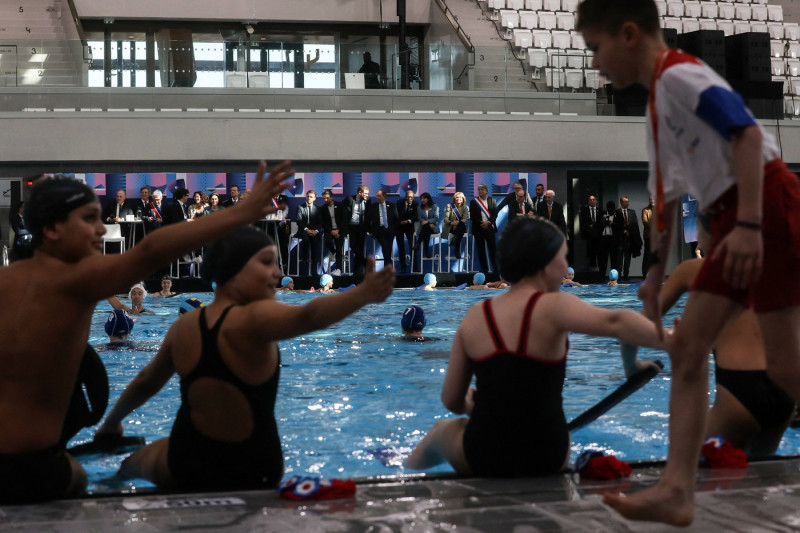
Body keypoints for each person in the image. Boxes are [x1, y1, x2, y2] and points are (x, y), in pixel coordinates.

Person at [577, 1, 800, 525]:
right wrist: (655, 273)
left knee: (787, 365)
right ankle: (677, 488)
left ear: (629, 34)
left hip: (762, 207)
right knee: (689, 348)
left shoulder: (680, 75)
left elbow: (747, 136)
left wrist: (747, 226)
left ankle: (677, 485)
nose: (594, 64)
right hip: (732, 221)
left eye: (595, 48)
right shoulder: (659, 102)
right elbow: (669, 197)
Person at [0, 161, 292, 503]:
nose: (101, 228)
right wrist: (240, 213)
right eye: (89, 219)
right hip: (30, 469)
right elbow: (152, 250)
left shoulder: (8, 280)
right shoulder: (74, 278)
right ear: (51, 229)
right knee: (79, 479)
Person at [93, 226, 395, 490]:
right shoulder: (255, 316)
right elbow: (309, 315)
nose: (277, 273)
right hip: (256, 470)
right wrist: (361, 295)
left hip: (188, 466)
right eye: (267, 263)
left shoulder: (184, 326)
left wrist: (110, 425)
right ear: (233, 269)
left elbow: (146, 382)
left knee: (133, 463)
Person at [405, 217, 664, 477]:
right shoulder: (554, 305)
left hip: (484, 454)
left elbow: (451, 400)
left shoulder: (475, 316)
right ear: (546, 262)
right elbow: (620, 321)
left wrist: (486, 403)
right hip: (547, 453)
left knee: (443, 431)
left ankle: (401, 475)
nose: (566, 267)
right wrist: (638, 361)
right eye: (563, 256)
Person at [624, 257, 794, 457]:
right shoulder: (784, 267)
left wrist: (632, 365)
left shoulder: (696, 269)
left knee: (694, 471)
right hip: (787, 392)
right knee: (764, 475)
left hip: (740, 393)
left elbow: (634, 327)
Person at [611, 196, 642, 281]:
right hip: (620, 239)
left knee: (628, 258)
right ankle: (619, 275)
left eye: (628, 202)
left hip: (629, 239)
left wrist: (631, 233)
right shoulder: (617, 212)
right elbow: (615, 226)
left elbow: (635, 225)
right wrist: (624, 231)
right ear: (621, 202)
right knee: (619, 258)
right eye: (625, 202)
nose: (627, 203)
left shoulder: (632, 212)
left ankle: (626, 275)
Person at [469, 184, 498, 274]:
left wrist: (488, 222)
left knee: (492, 249)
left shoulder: (492, 201)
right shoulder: (474, 202)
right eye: (479, 189)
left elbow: (494, 214)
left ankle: (496, 269)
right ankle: (484, 269)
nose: (480, 191)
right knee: (480, 250)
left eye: (482, 189)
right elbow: (473, 216)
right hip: (478, 228)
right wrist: (482, 223)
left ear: (486, 191)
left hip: (489, 228)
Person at [368, 189, 398, 270]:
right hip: (379, 231)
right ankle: (389, 266)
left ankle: (387, 267)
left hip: (390, 231)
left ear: (384, 196)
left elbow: (396, 218)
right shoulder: (373, 206)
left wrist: (395, 230)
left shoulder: (392, 206)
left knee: (387, 248)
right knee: (385, 247)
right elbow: (368, 220)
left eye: (379, 196)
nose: (377, 197)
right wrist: (370, 231)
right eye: (376, 196)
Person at [344, 185, 371, 275]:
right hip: (351, 226)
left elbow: (368, 215)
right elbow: (341, 210)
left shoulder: (368, 200)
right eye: (365, 193)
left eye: (368, 193)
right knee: (353, 245)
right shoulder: (349, 199)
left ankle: (356, 271)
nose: (367, 195)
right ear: (360, 193)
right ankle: (365, 262)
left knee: (360, 249)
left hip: (361, 227)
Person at [295, 190, 323, 276]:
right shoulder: (300, 207)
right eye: (307, 196)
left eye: (311, 197)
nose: (309, 198)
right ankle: (305, 259)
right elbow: (299, 221)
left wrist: (316, 231)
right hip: (303, 231)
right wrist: (306, 229)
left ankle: (314, 272)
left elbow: (321, 223)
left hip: (315, 232)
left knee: (315, 246)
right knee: (306, 238)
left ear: (314, 198)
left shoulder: (318, 209)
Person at [319, 190, 346, 275]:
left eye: (327, 198)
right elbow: (323, 223)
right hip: (329, 231)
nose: (325, 200)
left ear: (331, 197)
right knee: (328, 242)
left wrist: (338, 230)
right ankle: (333, 252)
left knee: (339, 249)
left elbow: (343, 220)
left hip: (340, 231)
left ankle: (338, 269)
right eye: (324, 198)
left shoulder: (340, 205)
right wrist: (331, 231)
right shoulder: (323, 208)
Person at [395, 189, 419, 274]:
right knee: (401, 248)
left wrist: (408, 221)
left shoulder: (416, 204)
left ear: (413, 197)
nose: (410, 199)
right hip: (399, 227)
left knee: (413, 247)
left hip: (409, 227)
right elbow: (396, 215)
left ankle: (415, 268)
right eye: (408, 197)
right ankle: (403, 268)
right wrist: (401, 222)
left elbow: (416, 216)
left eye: (411, 197)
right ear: (405, 197)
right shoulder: (399, 203)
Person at [579, 194, 604, 271]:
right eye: (590, 200)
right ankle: (590, 269)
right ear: (588, 201)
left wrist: (597, 231)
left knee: (599, 254)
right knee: (589, 255)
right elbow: (582, 223)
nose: (592, 201)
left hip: (598, 236)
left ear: (596, 201)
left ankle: (599, 269)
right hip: (588, 237)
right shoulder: (584, 211)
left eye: (593, 200)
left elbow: (602, 224)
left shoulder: (600, 211)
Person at [414, 192, 440, 260]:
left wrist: (428, 222)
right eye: (421, 198)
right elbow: (419, 218)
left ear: (428, 199)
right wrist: (428, 223)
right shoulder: (419, 208)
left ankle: (418, 243)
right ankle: (426, 251)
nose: (422, 200)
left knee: (426, 228)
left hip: (433, 227)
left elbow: (436, 218)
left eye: (424, 198)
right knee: (426, 229)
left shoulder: (435, 206)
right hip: (425, 228)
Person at [442, 192, 468, 259]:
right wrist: (452, 223)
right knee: (460, 230)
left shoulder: (464, 207)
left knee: (461, 225)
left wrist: (458, 223)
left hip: (460, 227)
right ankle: (456, 248)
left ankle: (455, 240)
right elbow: (446, 219)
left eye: (460, 197)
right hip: (451, 227)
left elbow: (465, 219)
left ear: (463, 199)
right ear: (454, 199)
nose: (458, 199)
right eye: (457, 197)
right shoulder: (449, 206)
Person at [599, 200, 618, 276]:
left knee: (614, 260)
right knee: (603, 260)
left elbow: (620, 226)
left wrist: (612, 223)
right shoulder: (602, 214)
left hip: (614, 240)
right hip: (604, 239)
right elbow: (598, 226)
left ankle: (615, 277)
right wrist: (604, 223)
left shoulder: (618, 214)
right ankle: (602, 276)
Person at [641, 196, 655, 276]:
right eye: (650, 199)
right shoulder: (645, 210)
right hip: (648, 236)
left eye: (653, 199)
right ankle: (645, 273)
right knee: (647, 254)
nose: (652, 200)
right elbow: (645, 221)